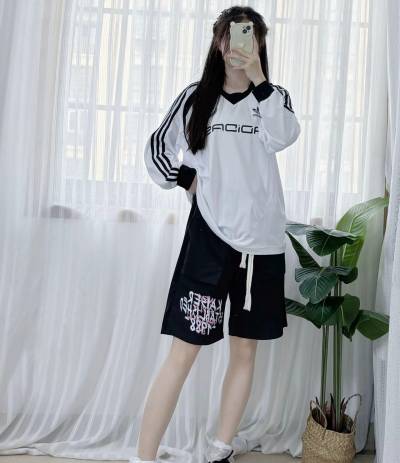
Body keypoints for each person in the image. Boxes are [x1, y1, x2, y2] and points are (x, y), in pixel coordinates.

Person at [131, 5, 301, 463]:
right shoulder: (196, 98)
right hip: (208, 239)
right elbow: (157, 151)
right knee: (183, 353)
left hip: (260, 246)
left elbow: (284, 136)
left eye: (248, 35)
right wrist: (187, 178)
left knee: (244, 351)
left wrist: (259, 78)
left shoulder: (273, 98)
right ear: (217, 42)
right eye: (229, 35)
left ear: (259, 43)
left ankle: (220, 450)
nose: (236, 44)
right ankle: (143, 457)